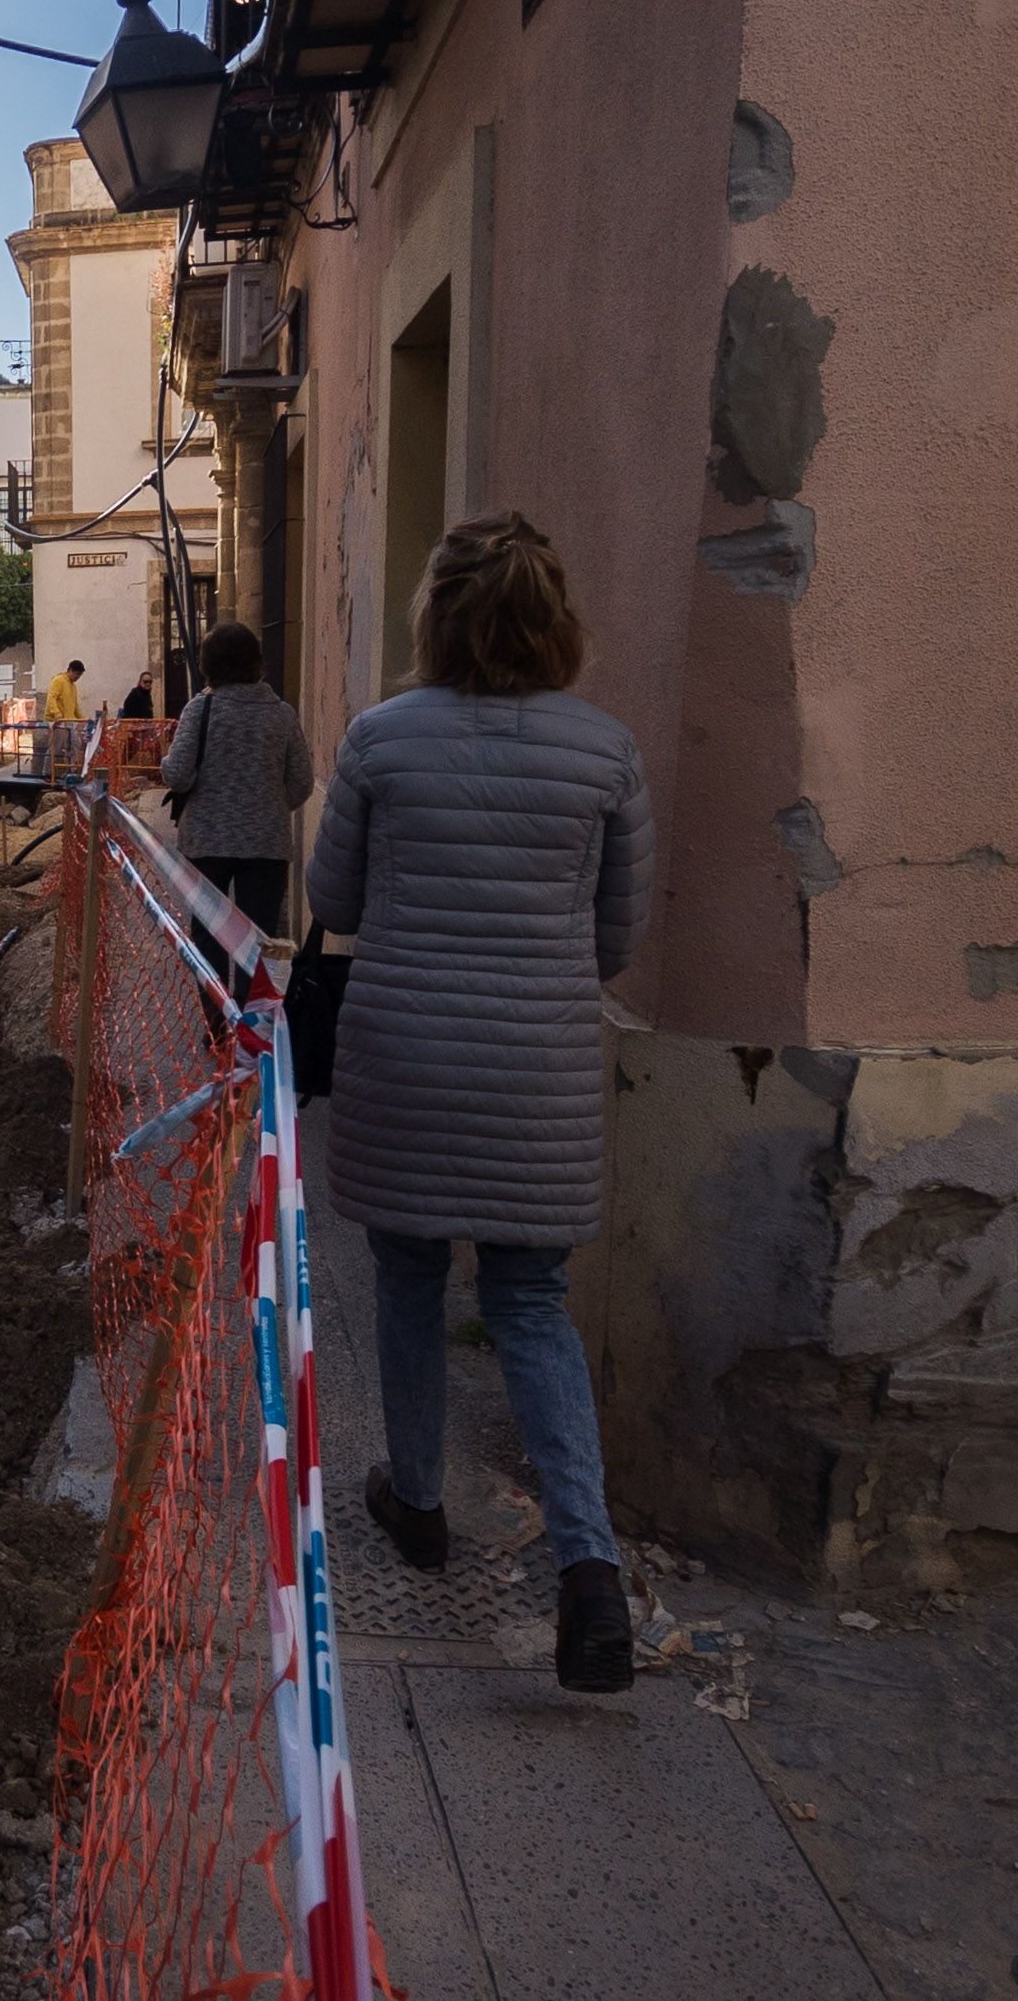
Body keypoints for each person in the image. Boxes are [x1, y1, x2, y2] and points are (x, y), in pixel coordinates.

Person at [302, 510, 653, 1696]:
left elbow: (334, 896)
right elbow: (613, 939)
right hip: (534, 1068)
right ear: (559, 622)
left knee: (406, 1275)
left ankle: (418, 1496)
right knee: (532, 1302)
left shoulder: (379, 741)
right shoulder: (606, 752)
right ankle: (589, 1567)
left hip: (405, 1045)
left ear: (434, 618)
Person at [159, 623, 312, 939]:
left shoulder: (200, 710)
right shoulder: (283, 714)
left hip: (207, 842)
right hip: (266, 843)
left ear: (208, 664)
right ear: (257, 662)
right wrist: (268, 803)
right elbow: (301, 782)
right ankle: (251, 990)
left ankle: (214, 990)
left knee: (208, 938)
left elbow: (178, 776)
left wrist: (165, 761)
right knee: (259, 939)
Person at [41, 659, 86, 777]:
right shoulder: (58, 681)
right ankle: (47, 773)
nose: (78, 677)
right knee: (55, 747)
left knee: (76, 744)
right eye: (76, 674)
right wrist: (57, 715)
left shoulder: (73, 686)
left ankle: (71, 771)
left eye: (80, 675)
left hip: (69, 721)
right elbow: (51, 698)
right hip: (58, 721)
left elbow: (75, 705)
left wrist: (82, 719)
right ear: (70, 670)